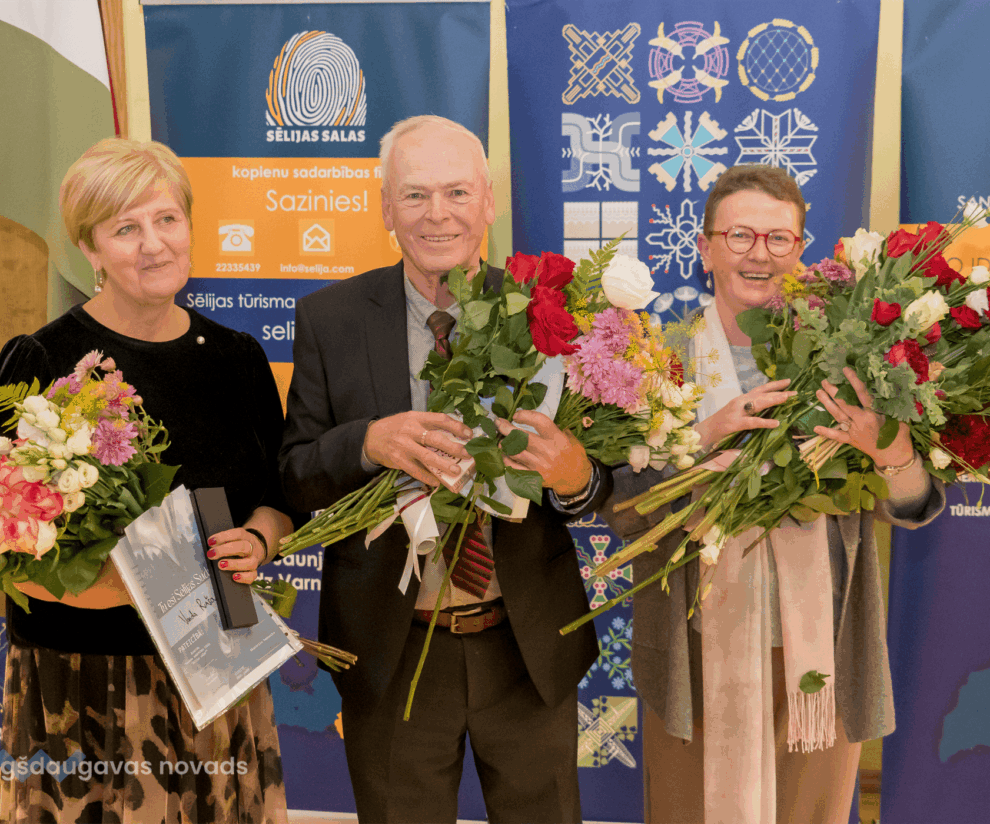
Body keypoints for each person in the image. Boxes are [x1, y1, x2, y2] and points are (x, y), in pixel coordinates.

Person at [279, 115, 612, 823]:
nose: (438, 214)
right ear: (385, 209)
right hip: (392, 652)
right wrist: (367, 442)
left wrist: (574, 474)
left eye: (457, 192)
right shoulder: (330, 320)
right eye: (415, 194)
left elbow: (600, 483)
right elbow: (296, 476)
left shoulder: (549, 318)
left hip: (526, 649)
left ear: (489, 203)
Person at [600, 165, 946, 824]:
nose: (759, 254)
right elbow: (619, 508)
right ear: (704, 249)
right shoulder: (654, 357)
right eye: (740, 236)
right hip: (693, 655)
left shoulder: (845, 358)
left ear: (800, 251)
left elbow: (912, 504)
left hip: (821, 652)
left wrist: (890, 450)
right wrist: (704, 435)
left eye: (778, 238)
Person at [0, 137, 293, 823]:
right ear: (89, 250)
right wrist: (135, 589)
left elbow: (278, 498)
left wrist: (259, 541)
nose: (153, 244)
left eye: (166, 219)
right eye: (125, 228)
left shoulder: (237, 358)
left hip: (217, 674)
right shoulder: (42, 360)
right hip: (82, 684)